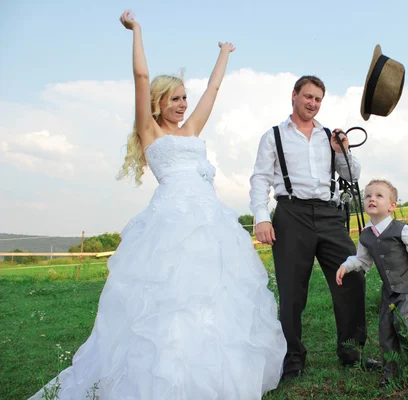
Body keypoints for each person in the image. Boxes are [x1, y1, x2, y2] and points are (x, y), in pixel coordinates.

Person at [28, 11, 286, 400]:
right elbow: (141, 78)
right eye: (176, 98)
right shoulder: (149, 131)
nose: (184, 104)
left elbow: (213, 92)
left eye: (186, 98)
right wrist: (137, 32)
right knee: (170, 296)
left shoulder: (192, 129)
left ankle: (210, 372)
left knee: (212, 293)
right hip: (170, 222)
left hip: (210, 221)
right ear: (159, 102)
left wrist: (224, 54)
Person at [249, 75, 379, 381]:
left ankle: (351, 351)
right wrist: (261, 217)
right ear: (294, 96)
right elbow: (260, 179)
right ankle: (293, 357)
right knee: (292, 290)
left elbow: (351, 174)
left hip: (329, 215)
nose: (313, 103)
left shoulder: (329, 135)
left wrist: (342, 149)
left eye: (318, 99)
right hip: (290, 213)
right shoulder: (274, 136)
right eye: (308, 97)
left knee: (352, 276)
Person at [336, 179, 408, 388]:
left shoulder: (401, 229)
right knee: (385, 330)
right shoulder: (366, 235)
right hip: (389, 290)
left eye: (379, 195)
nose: (372, 198)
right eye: (368, 195)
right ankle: (392, 374)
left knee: (404, 324)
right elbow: (363, 260)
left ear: (392, 206)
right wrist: (346, 266)